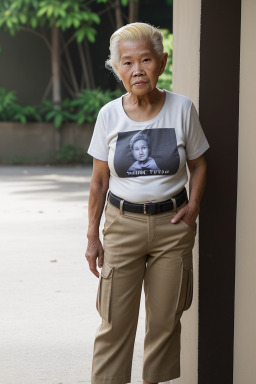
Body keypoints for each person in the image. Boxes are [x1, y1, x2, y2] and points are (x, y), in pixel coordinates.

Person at [85, 22, 209, 384]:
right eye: (126, 62)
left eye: (145, 59)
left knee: (165, 322)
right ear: (116, 69)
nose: (137, 69)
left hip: (173, 227)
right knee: (114, 322)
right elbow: (98, 181)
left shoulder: (182, 109)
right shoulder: (109, 115)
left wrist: (194, 205)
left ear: (162, 61)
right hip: (123, 227)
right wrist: (93, 236)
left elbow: (200, 164)